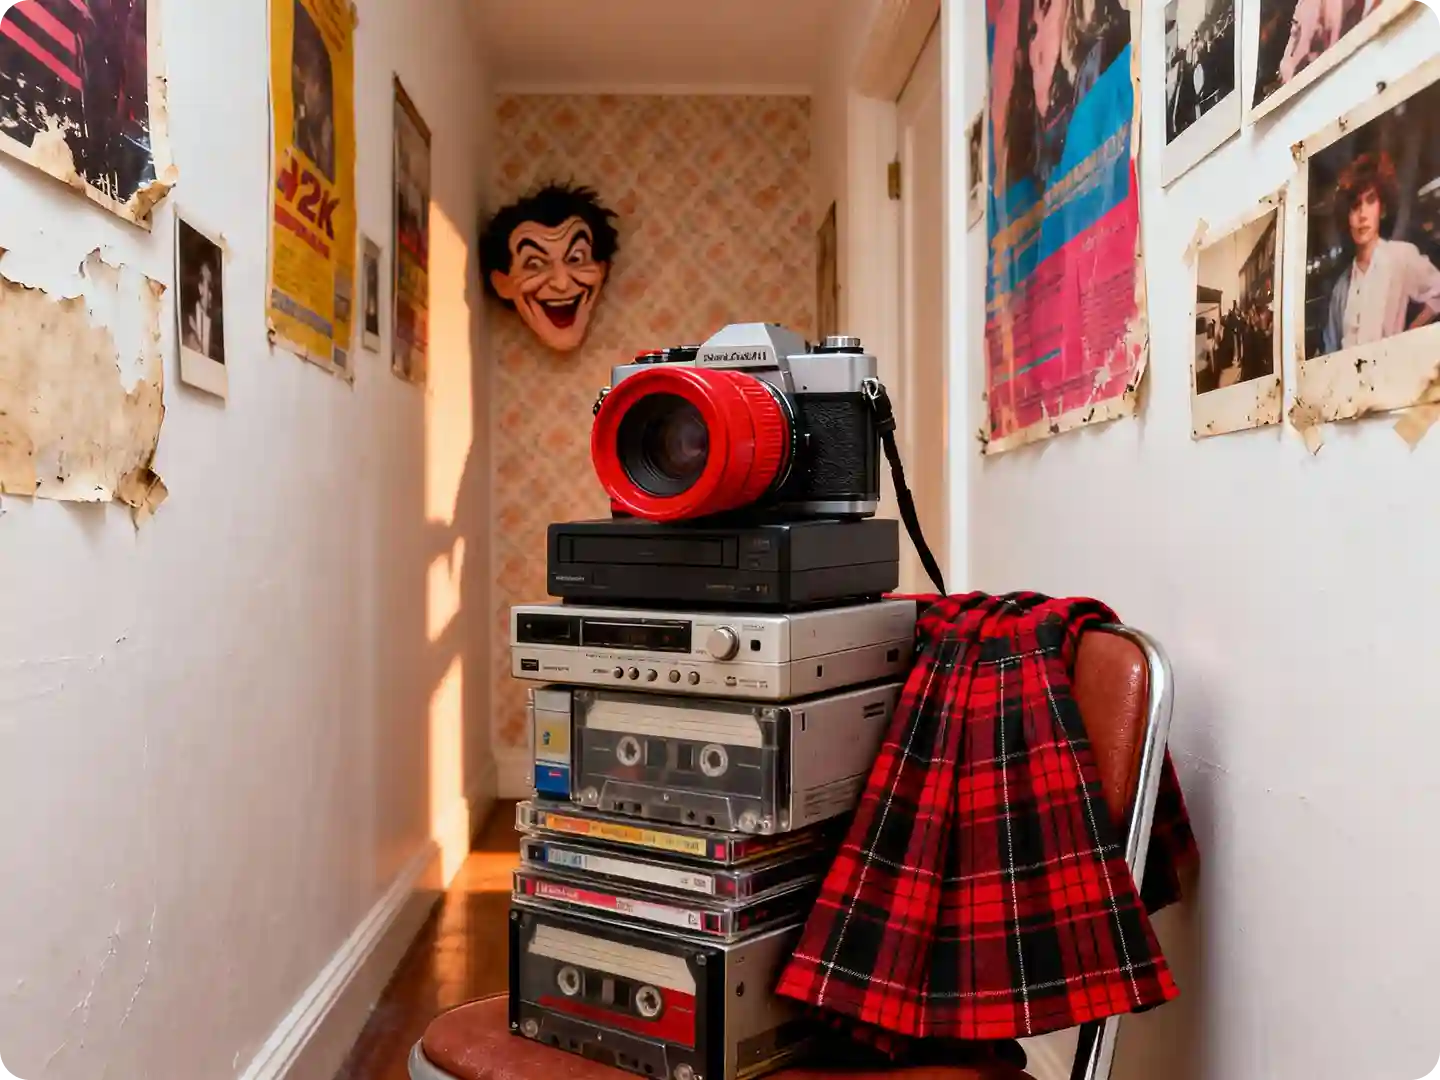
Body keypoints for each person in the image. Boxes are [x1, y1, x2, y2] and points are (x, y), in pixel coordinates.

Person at [1321, 150, 1440, 355]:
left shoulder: (1401, 257)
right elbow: (1329, 350)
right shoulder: (1341, 287)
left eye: (1370, 200)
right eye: (1355, 206)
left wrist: (1410, 333)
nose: (1363, 215)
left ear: (1382, 209)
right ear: (1346, 216)